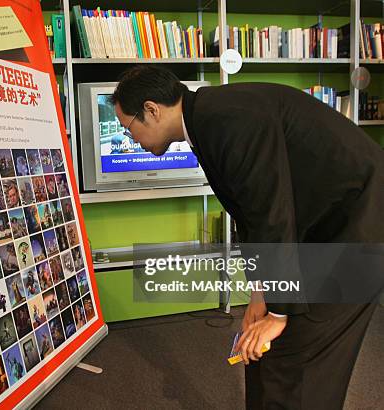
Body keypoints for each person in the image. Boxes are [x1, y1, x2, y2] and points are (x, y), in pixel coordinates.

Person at [111, 65, 384, 409]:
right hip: (321, 227)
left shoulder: (225, 119)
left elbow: (271, 213)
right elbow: (251, 215)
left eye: (128, 128)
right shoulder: (206, 118)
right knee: (264, 351)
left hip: (359, 226)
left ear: (151, 109)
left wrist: (280, 312)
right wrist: (261, 294)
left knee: (298, 354)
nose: (129, 138)